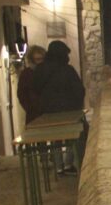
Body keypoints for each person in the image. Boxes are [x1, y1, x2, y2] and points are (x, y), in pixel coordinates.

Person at [34, 40, 86, 173]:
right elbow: (79, 90)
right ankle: (68, 164)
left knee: (55, 139)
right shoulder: (67, 70)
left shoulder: (40, 69)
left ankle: (58, 166)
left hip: (48, 112)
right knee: (71, 138)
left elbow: (35, 89)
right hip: (68, 111)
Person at [16, 45, 46, 124]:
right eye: (38, 59)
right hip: (33, 114)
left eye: (42, 59)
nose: (40, 62)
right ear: (32, 60)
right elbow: (21, 94)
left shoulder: (47, 72)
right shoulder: (26, 74)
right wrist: (30, 109)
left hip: (47, 112)